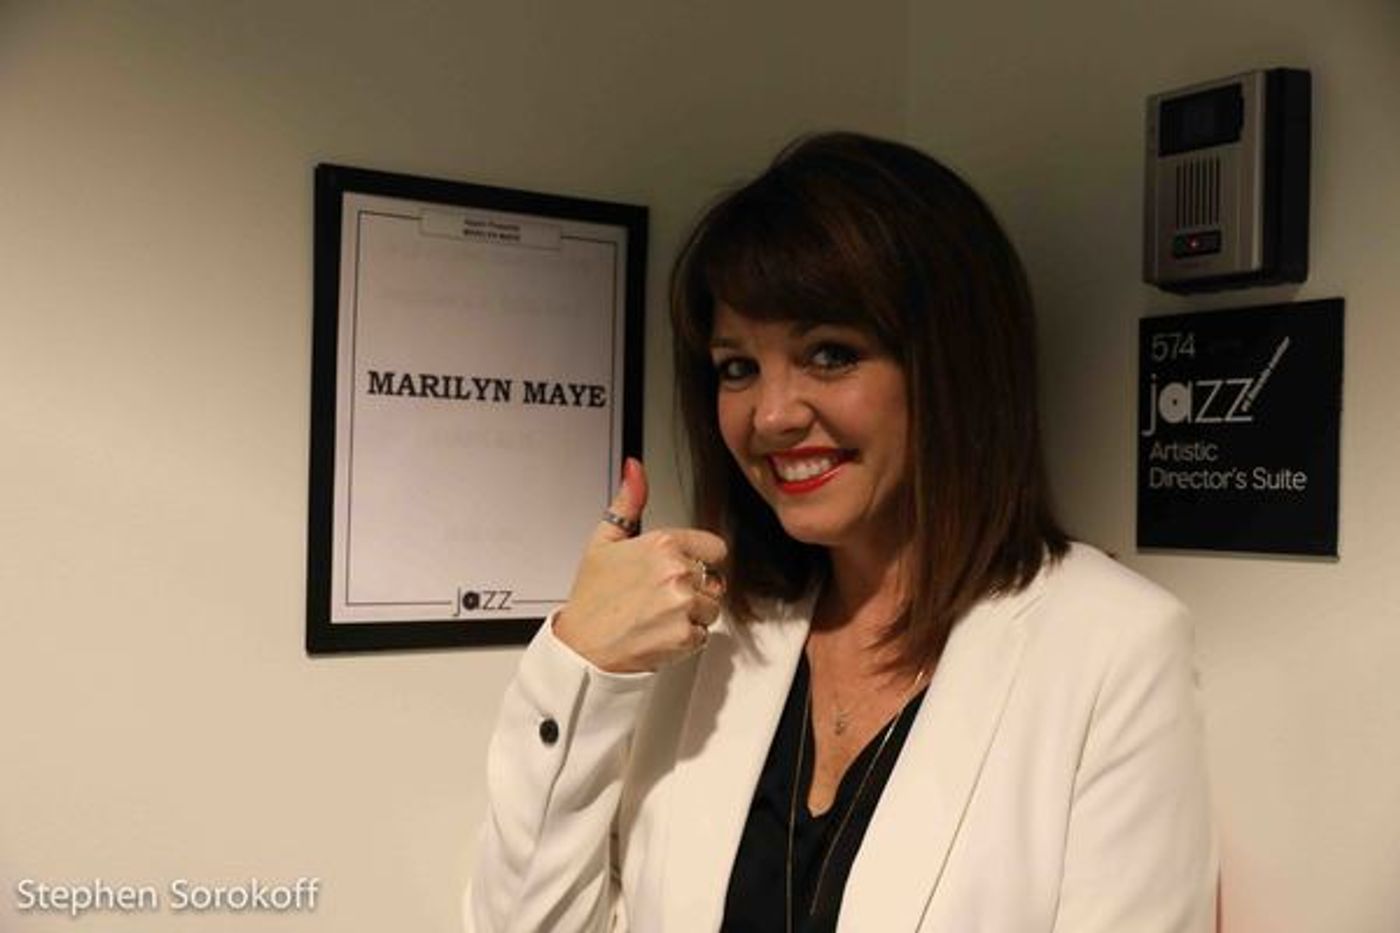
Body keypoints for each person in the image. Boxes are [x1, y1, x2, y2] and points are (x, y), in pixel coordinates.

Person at [465, 132, 1217, 932]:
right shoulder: (710, 641)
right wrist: (583, 660)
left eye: (830, 353)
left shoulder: (1112, 648)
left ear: (950, 368)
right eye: (737, 366)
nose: (773, 415)